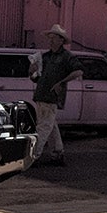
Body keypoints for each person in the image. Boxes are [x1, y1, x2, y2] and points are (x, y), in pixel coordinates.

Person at [32, 24, 83, 168]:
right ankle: (57, 153)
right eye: (51, 38)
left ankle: (34, 155)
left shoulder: (67, 57)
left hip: (50, 96)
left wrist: (62, 82)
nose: (51, 41)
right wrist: (33, 72)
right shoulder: (45, 57)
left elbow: (79, 71)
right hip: (42, 94)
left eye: (54, 38)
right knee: (50, 125)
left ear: (61, 40)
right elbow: (36, 77)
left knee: (44, 126)